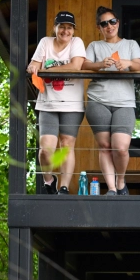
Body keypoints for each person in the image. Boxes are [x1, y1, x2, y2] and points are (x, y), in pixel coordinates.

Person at [81, 6, 140, 195]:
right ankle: (111, 188)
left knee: (121, 148)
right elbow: (84, 65)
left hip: (124, 101)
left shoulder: (131, 44)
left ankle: (121, 180)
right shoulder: (94, 46)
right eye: (104, 23)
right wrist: (100, 64)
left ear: (118, 23)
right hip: (97, 99)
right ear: (99, 27)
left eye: (112, 21)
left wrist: (128, 63)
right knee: (105, 145)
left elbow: (139, 66)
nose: (109, 26)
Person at [26, 11, 85, 195]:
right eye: (62, 27)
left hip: (72, 104)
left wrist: (48, 69)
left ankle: (64, 187)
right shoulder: (45, 42)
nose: (65, 31)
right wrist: (35, 67)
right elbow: (34, 64)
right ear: (55, 28)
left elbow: (76, 66)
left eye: (69, 27)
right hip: (47, 104)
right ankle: (49, 180)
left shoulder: (77, 43)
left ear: (73, 30)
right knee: (46, 149)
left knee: (66, 145)